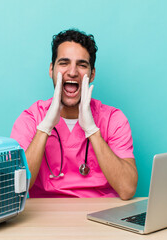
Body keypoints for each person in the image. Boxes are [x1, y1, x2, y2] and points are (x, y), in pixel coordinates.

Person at [11, 29, 138, 200]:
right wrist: (45, 127)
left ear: (92, 74)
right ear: (51, 69)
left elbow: (127, 189)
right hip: (44, 217)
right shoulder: (31, 119)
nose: (72, 72)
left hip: (100, 215)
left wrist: (92, 130)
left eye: (82, 65)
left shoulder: (113, 119)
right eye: (64, 63)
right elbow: (16, 188)